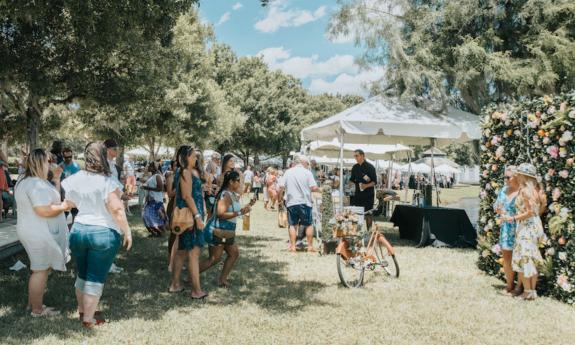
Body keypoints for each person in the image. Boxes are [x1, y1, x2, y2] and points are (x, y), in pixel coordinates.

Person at [60, 142, 132, 327]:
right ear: (103, 157)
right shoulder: (107, 181)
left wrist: (88, 201)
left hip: (78, 230)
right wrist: (127, 231)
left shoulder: (76, 178)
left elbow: (70, 203)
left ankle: (82, 310)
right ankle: (89, 319)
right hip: (103, 232)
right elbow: (116, 209)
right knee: (95, 277)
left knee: (82, 274)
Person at [14, 148, 71, 317]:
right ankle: (37, 310)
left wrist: (57, 178)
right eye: (49, 161)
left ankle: (33, 303)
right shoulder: (35, 184)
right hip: (37, 232)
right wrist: (65, 206)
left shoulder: (31, 181)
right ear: (40, 162)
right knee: (40, 269)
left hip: (35, 230)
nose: (52, 163)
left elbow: (54, 199)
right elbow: (43, 210)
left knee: (40, 269)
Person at [501, 163, 547, 301]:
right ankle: (532, 291)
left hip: (526, 228)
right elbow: (539, 210)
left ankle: (527, 292)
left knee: (525, 258)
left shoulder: (524, 191)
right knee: (532, 258)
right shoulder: (538, 191)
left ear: (523, 176)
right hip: (535, 226)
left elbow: (529, 212)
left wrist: (512, 218)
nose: (516, 176)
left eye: (518, 174)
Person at [200, 170, 252, 287]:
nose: (240, 183)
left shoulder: (231, 194)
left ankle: (222, 280)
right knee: (214, 259)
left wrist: (246, 207)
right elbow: (220, 213)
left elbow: (234, 210)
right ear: (231, 182)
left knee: (234, 253)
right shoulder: (226, 194)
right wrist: (239, 212)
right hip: (218, 230)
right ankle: (191, 276)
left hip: (226, 232)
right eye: (238, 181)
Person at [169, 146, 208, 299]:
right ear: (185, 157)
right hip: (190, 217)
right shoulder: (185, 172)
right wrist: (198, 216)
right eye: (193, 156)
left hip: (187, 217)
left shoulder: (181, 171)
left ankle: (175, 284)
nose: (195, 159)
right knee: (194, 253)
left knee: (181, 252)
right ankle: (196, 291)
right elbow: (187, 196)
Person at [278, 155, 319, 252]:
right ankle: (310, 247)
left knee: (292, 225)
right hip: (305, 202)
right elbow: (313, 188)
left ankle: (292, 246)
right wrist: (322, 190)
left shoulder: (288, 172)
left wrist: (279, 199)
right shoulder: (307, 173)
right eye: (307, 163)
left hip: (291, 202)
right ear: (302, 162)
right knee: (308, 224)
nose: (308, 165)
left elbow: (281, 187)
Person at [494, 166, 520, 295]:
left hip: (520, 228)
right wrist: (498, 209)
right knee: (507, 258)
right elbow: (496, 205)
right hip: (506, 228)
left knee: (520, 257)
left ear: (516, 177)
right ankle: (509, 285)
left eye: (508, 177)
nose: (506, 179)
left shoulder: (522, 191)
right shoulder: (503, 190)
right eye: (505, 177)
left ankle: (519, 287)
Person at [103, 139, 125, 273]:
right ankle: (107, 264)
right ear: (108, 150)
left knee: (115, 233)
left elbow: (115, 182)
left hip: (115, 199)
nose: (117, 151)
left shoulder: (112, 164)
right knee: (110, 233)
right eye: (115, 149)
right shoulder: (104, 165)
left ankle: (110, 262)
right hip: (108, 203)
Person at [349, 149, 377, 229]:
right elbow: (352, 179)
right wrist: (350, 183)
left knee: (368, 213)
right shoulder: (355, 167)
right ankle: (356, 231)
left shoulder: (370, 167)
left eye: (356, 155)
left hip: (368, 195)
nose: (355, 157)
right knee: (356, 212)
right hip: (358, 194)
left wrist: (366, 185)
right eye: (354, 156)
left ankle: (369, 230)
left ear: (362, 155)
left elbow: (374, 182)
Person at [141, 162, 166, 237]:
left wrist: (146, 187)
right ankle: (157, 232)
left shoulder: (157, 176)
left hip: (156, 200)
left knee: (148, 216)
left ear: (153, 167)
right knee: (147, 216)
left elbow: (160, 188)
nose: (148, 167)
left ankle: (159, 232)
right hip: (151, 200)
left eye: (149, 166)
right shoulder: (152, 176)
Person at [60, 147, 81, 223]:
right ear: (63, 157)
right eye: (66, 157)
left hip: (75, 194)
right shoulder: (60, 166)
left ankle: (73, 231)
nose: (68, 159)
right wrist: (62, 194)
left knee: (75, 214)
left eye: (70, 157)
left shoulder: (77, 166)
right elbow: (58, 181)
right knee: (64, 214)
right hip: (64, 194)